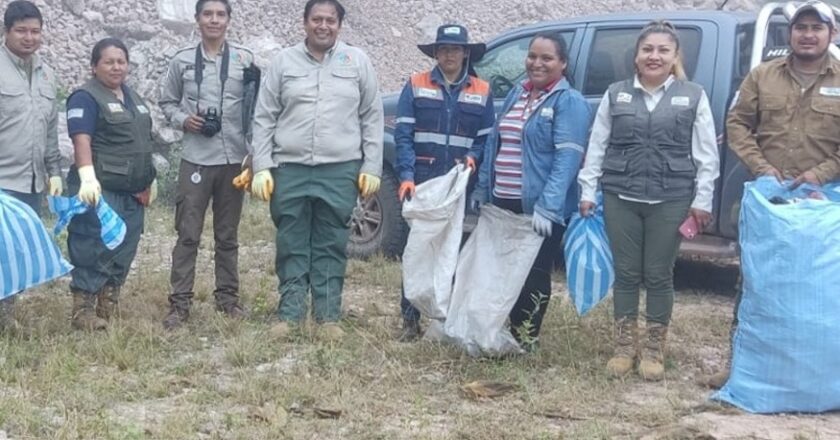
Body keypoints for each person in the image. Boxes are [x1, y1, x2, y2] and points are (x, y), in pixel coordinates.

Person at [702, 1, 840, 388]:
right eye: (801, 27)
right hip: (769, 198)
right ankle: (741, 367)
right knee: (754, 281)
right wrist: (762, 167)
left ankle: (819, 374)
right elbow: (738, 122)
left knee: (820, 288)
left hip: (825, 202)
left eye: (817, 27)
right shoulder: (762, 75)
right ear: (790, 33)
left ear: (833, 34)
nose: (808, 34)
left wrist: (821, 173)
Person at [578, 21, 720, 380]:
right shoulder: (616, 94)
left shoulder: (693, 95)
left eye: (663, 50)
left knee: (658, 274)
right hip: (619, 196)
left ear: (674, 57)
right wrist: (586, 191)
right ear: (637, 56)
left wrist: (702, 199)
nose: (654, 56)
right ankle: (625, 347)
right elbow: (597, 146)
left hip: (671, 198)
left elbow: (706, 155)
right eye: (647, 50)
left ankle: (654, 348)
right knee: (626, 274)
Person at [250, 0, 383, 342]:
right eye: (317, 19)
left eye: (331, 20)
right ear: (305, 23)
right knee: (291, 239)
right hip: (289, 168)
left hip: (339, 169)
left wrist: (371, 166)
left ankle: (327, 317)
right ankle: (290, 313)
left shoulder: (357, 62)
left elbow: (372, 117)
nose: (323, 26)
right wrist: (262, 166)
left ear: (340, 25)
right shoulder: (283, 62)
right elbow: (265, 116)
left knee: (331, 241)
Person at [471, 32, 591, 351]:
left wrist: (548, 207)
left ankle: (527, 339)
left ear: (563, 64)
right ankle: (501, 332)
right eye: (532, 56)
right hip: (503, 202)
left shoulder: (569, 102)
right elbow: (496, 144)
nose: (537, 63)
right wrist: (484, 189)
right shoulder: (517, 94)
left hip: (537, 208)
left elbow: (568, 158)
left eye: (547, 58)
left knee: (533, 273)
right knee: (504, 270)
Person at [159, 0, 258, 329]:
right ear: (197, 19)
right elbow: (167, 101)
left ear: (229, 20)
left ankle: (228, 299)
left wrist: (255, 155)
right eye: (208, 14)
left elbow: (258, 108)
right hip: (196, 158)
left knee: (228, 235)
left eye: (220, 14)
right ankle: (180, 304)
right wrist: (184, 119)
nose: (214, 20)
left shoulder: (245, 60)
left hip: (234, 160)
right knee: (187, 233)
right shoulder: (182, 61)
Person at [394, 24, 495, 341]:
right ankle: (410, 320)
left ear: (465, 52)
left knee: (453, 251)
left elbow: (484, 141)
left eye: (455, 49)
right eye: (443, 49)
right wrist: (407, 177)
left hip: (458, 186)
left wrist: (473, 160)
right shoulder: (415, 85)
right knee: (418, 250)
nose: (449, 54)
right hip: (423, 183)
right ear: (435, 53)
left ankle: (445, 318)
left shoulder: (482, 91)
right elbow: (403, 137)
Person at [64, 38, 157, 331]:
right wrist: (87, 178)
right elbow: (82, 139)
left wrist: (147, 180)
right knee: (94, 244)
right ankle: (83, 310)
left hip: (133, 192)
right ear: (94, 66)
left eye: (121, 61)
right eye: (109, 61)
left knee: (124, 246)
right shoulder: (85, 97)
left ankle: (108, 301)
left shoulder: (133, 97)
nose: (116, 67)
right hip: (102, 191)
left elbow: (141, 142)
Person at [0, 0, 61, 331]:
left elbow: (50, 129)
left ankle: (5, 315)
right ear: (6, 31)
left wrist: (54, 173)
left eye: (35, 31)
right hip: (2, 180)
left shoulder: (47, 74)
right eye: (21, 30)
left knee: (17, 253)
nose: (29, 37)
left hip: (33, 182)